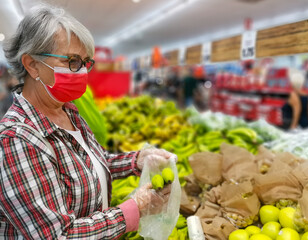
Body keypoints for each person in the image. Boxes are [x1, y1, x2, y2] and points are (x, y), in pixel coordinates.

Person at [0, 5, 176, 239]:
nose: (82, 72)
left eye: (85, 63)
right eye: (72, 61)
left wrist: (137, 160)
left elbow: (89, 166)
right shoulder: (17, 139)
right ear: (32, 65)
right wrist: (135, 208)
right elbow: (57, 235)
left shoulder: (68, 112)